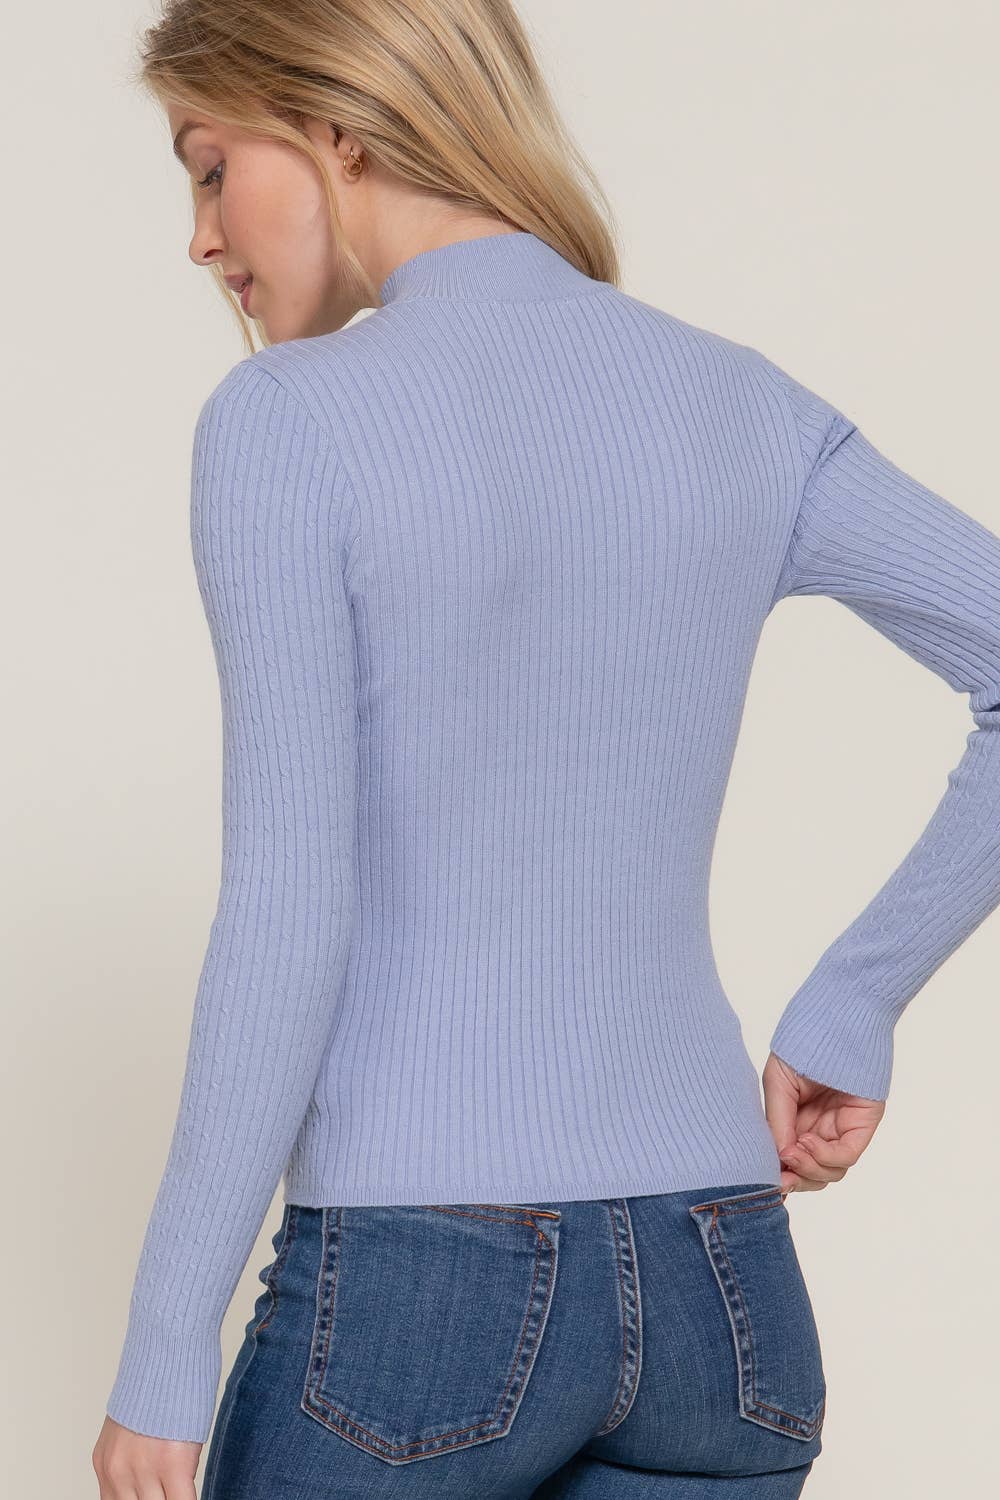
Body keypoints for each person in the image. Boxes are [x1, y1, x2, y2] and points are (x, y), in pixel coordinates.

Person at [93, 3, 1000, 1497]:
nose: (201, 239)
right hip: (727, 1299)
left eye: (208, 168)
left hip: (413, 1301)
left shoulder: (287, 421)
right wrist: (855, 1004)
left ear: (340, 126)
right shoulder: (743, 404)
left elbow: (290, 906)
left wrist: (163, 1344)